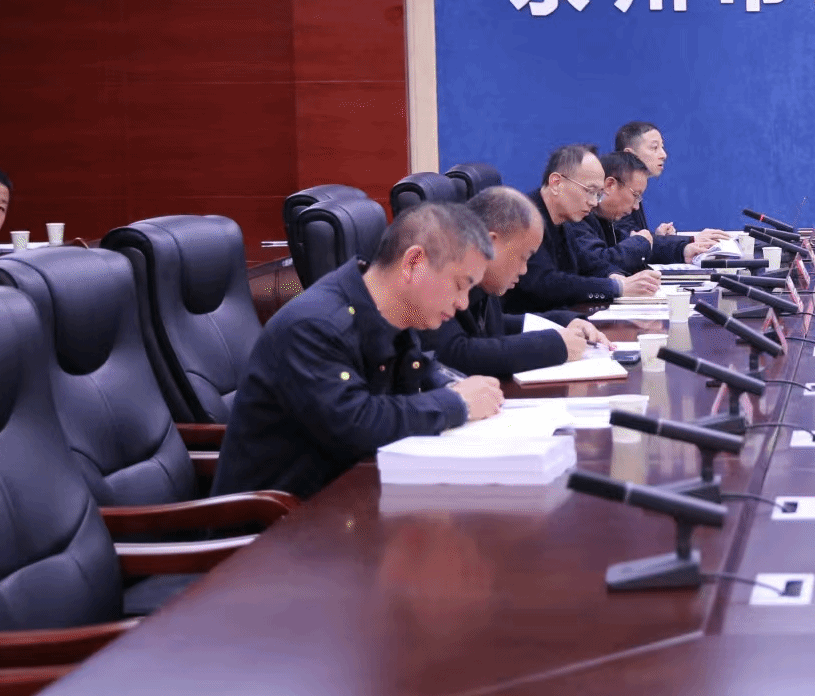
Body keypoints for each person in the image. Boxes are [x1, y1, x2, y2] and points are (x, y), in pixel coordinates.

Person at [212, 202, 505, 499]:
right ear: (413, 263)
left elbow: (415, 368)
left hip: (346, 502)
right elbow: (356, 424)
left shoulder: (391, 314)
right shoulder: (314, 326)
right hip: (277, 520)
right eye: (460, 285)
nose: (463, 303)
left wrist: (452, 384)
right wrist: (457, 402)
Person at [420, 186, 607, 380]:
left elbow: (494, 325)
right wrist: (554, 345)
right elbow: (454, 353)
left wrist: (563, 321)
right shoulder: (439, 269)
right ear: (490, 243)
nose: (524, 270)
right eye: (523, 257)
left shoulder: (481, 278)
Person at [505, 144, 661, 313]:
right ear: (556, 183)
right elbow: (545, 283)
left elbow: (588, 263)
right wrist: (616, 287)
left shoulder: (565, 220)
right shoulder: (524, 217)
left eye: (598, 194)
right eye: (590, 191)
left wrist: (614, 276)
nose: (594, 202)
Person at [574, 150, 722, 275]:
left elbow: (637, 243)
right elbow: (598, 264)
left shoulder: (606, 220)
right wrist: (639, 242)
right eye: (635, 195)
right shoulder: (577, 218)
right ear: (610, 185)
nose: (636, 207)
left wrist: (682, 250)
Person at [615, 120, 733, 251]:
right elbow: (628, 242)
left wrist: (659, 238)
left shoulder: (632, 187)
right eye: (654, 148)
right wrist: (691, 240)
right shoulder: (617, 192)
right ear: (629, 154)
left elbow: (638, 243)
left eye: (662, 147)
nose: (663, 155)